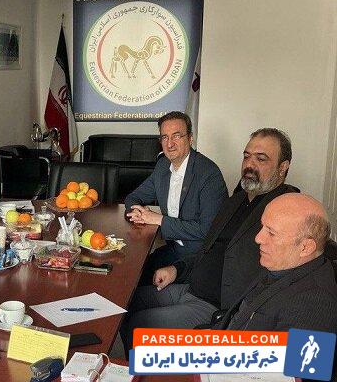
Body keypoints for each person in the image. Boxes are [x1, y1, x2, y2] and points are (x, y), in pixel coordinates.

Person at [120, 128, 298, 355]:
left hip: (216, 306)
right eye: (246, 156)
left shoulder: (283, 211)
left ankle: (143, 367)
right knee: (123, 302)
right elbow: (209, 248)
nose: (249, 165)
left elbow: (277, 279)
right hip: (190, 286)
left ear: (283, 167)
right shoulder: (236, 201)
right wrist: (177, 269)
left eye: (261, 159)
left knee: (139, 325)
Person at [125, 111, 228, 283]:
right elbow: (133, 197)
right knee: (130, 273)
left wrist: (159, 220)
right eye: (164, 137)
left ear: (190, 138)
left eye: (177, 136)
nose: (170, 144)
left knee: (139, 284)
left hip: (199, 258)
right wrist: (137, 212)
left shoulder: (209, 174)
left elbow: (208, 230)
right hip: (173, 249)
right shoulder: (163, 166)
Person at [218, 193, 337, 332]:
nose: (258, 238)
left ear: (305, 248)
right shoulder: (281, 263)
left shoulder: (315, 305)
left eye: (271, 233)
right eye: (262, 226)